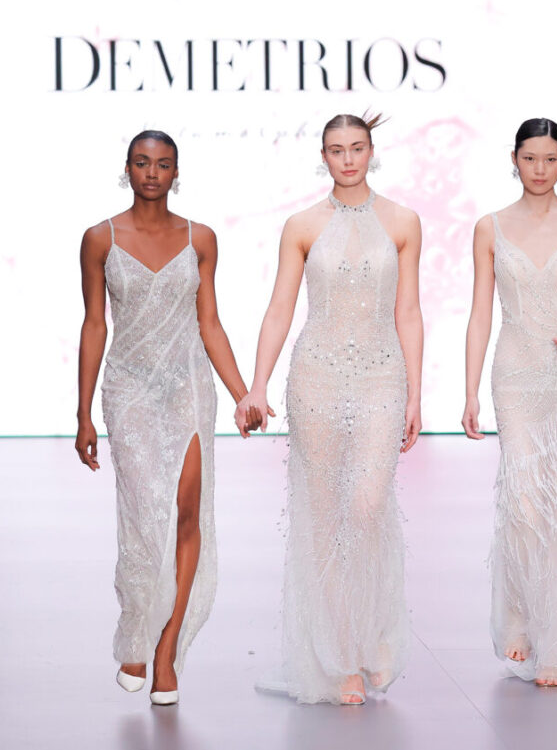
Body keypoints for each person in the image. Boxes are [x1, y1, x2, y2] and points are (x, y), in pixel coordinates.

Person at [235, 113, 423, 705]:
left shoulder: (403, 221)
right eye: (337, 150)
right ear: (323, 156)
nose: (348, 159)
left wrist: (417, 392)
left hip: (382, 376)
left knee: (366, 506)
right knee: (322, 518)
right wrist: (257, 385)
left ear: (372, 151)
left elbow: (409, 310)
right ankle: (341, 655)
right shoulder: (301, 225)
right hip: (314, 376)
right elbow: (279, 308)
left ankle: (373, 637)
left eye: (357, 148)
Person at [76, 130, 254, 706]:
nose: (152, 172)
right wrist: (83, 413)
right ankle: (137, 626)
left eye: (163, 164)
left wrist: (242, 394)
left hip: (188, 387)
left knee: (185, 513)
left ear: (177, 172)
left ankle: (166, 649)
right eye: (142, 162)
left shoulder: (200, 238)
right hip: (128, 388)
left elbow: (210, 323)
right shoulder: (100, 239)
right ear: (127, 168)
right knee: (144, 515)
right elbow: (95, 324)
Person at [461, 118, 557, 687]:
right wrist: (469, 391)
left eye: (551, 159)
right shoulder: (490, 227)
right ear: (514, 159)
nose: (540, 169)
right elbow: (481, 312)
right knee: (525, 501)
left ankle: (556, 637)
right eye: (530, 158)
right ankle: (522, 615)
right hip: (516, 373)